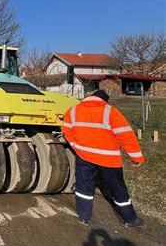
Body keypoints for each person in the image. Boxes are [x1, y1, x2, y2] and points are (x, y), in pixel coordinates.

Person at [62, 90, 145, 228]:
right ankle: (130, 219)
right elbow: (126, 135)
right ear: (104, 100)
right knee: (117, 188)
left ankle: (84, 217)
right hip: (108, 158)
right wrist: (136, 157)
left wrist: (76, 146)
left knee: (84, 186)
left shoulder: (73, 110)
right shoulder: (110, 112)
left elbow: (66, 130)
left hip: (84, 156)